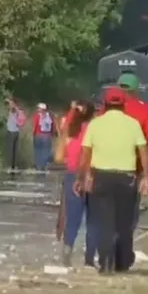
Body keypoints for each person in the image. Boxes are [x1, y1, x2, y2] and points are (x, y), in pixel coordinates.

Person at [75, 87, 148, 275]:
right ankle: (122, 262)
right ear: (123, 105)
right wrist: (145, 176)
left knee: (103, 222)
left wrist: (81, 177)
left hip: (101, 177)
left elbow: (85, 153)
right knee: (124, 223)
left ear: (105, 105)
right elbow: (143, 151)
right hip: (126, 178)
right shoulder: (133, 124)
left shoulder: (95, 124)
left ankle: (106, 263)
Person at [114, 72, 148, 269]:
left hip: (103, 168)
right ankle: (123, 256)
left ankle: (104, 254)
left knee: (106, 213)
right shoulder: (143, 112)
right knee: (128, 216)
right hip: (132, 171)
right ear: (136, 91)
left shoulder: (108, 110)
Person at [60, 101, 96, 266]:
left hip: (71, 174)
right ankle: (89, 258)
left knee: (72, 217)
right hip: (92, 175)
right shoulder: (94, 129)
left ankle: (67, 251)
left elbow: (60, 156)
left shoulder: (69, 130)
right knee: (93, 218)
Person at [31, 103, 56, 170]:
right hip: (47, 136)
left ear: (40, 109)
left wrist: (33, 133)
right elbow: (53, 126)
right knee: (46, 151)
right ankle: (43, 165)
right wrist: (52, 134)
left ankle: (38, 164)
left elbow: (34, 126)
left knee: (38, 150)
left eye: (38, 108)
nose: (37, 109)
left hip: (38, 135)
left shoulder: (37, 116)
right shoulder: (50, 116)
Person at [4, 97, 26, 171]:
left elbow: (8, 103)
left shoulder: (13, 110)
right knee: (15, 150)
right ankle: (14, 166)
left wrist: (9, 101)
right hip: (16, 131)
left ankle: (10, 166)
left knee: (10, 150)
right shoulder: (19, 110)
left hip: (11, 131)